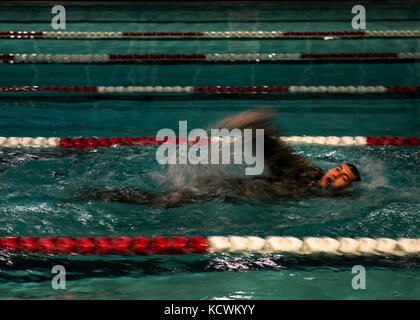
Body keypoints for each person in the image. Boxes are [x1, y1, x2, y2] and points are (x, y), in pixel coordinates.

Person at [83, 108, 361, 208]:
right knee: (163, 202)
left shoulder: (325, 196)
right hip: (222, 189)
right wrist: (260, 130)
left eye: (342, 179)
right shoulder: (308, 173)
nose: (335, 175)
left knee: (165, 200)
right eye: (337, 170)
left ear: (345, 188)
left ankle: (101, 193)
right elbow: (280, 154)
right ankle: (99, 194)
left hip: (230, 192)